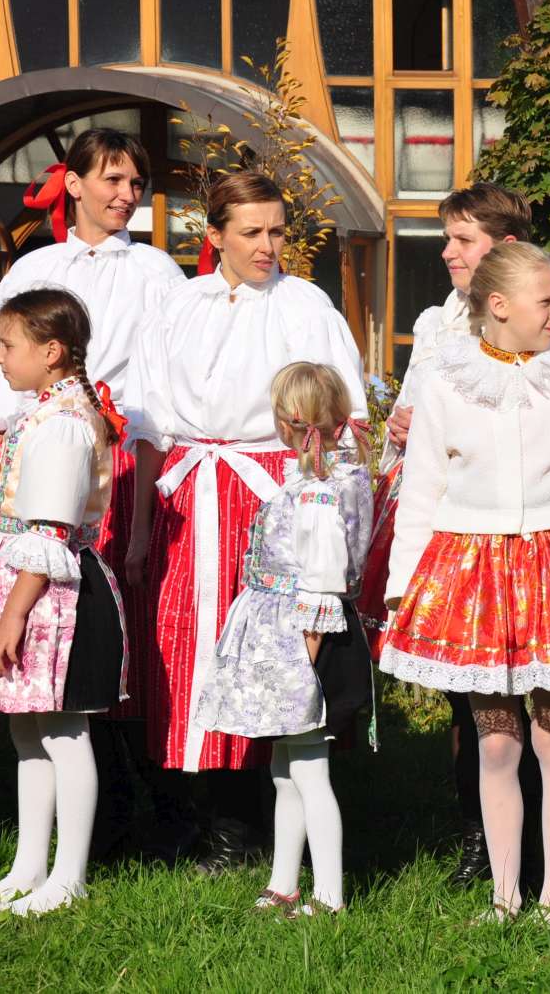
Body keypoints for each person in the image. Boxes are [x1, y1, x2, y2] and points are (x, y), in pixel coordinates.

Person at [381, 242, 550, 922]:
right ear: (499, 306)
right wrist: (404, 588)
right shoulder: (447, 383)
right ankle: (505, 895)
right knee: (497, 742)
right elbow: (423, 490)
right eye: (546, 301)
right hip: (472, 576)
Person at [128, 171, 367, 870]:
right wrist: (140, 528)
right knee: (185, 646)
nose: (268, 246)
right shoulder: (180, 305)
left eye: (278, 231)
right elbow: (150, 422)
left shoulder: (306, 306)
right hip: (189, 491)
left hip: (270, 493)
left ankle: (244, 821)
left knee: (264, 652)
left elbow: (341, 418)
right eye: (252, 232)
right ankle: (184, 812)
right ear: (216, 236)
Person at [0, 128, 186, 857]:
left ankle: (146, 805)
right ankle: (74, 819)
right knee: (34, 631)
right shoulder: (37, 267)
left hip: (121, 459)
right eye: (112, 180)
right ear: (76, 184)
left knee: (108, 631)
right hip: (39, 454)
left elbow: (163, 390)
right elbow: (0, 395)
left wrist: (146, 511)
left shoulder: (156, 271)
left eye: (135, 182)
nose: (126, 195)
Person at [356, 182, 544, 889]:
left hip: (505, 523)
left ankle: (529, 836)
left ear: (505, 247)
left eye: (464, 239)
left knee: (515, 688)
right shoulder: (438, 322)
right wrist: (404, 429)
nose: (448, 252)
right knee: (462, 690)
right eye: (448, 238)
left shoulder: (538, 321)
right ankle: (478, 833)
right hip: (442, 524)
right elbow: (411, 417)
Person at [0, 288, 128, 914]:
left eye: (7, 344)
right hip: (28, 587)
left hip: (53, 596)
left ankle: (68, 877)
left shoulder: (65, 423)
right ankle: (27, 869)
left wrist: (13, 614)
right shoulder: (42, 413)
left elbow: (50, 530)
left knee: (64, 731)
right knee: (29, 731)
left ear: (51, 352)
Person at [194, 362, 374, 915]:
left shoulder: (320, 491)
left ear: (289, 423)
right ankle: (283, 882)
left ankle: (329, 894)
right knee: (285, 770)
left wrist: (302, 664)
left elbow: (322, 582)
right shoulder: (315, 481)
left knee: (311, 773)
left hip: (308, 644)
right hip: (291, 636)